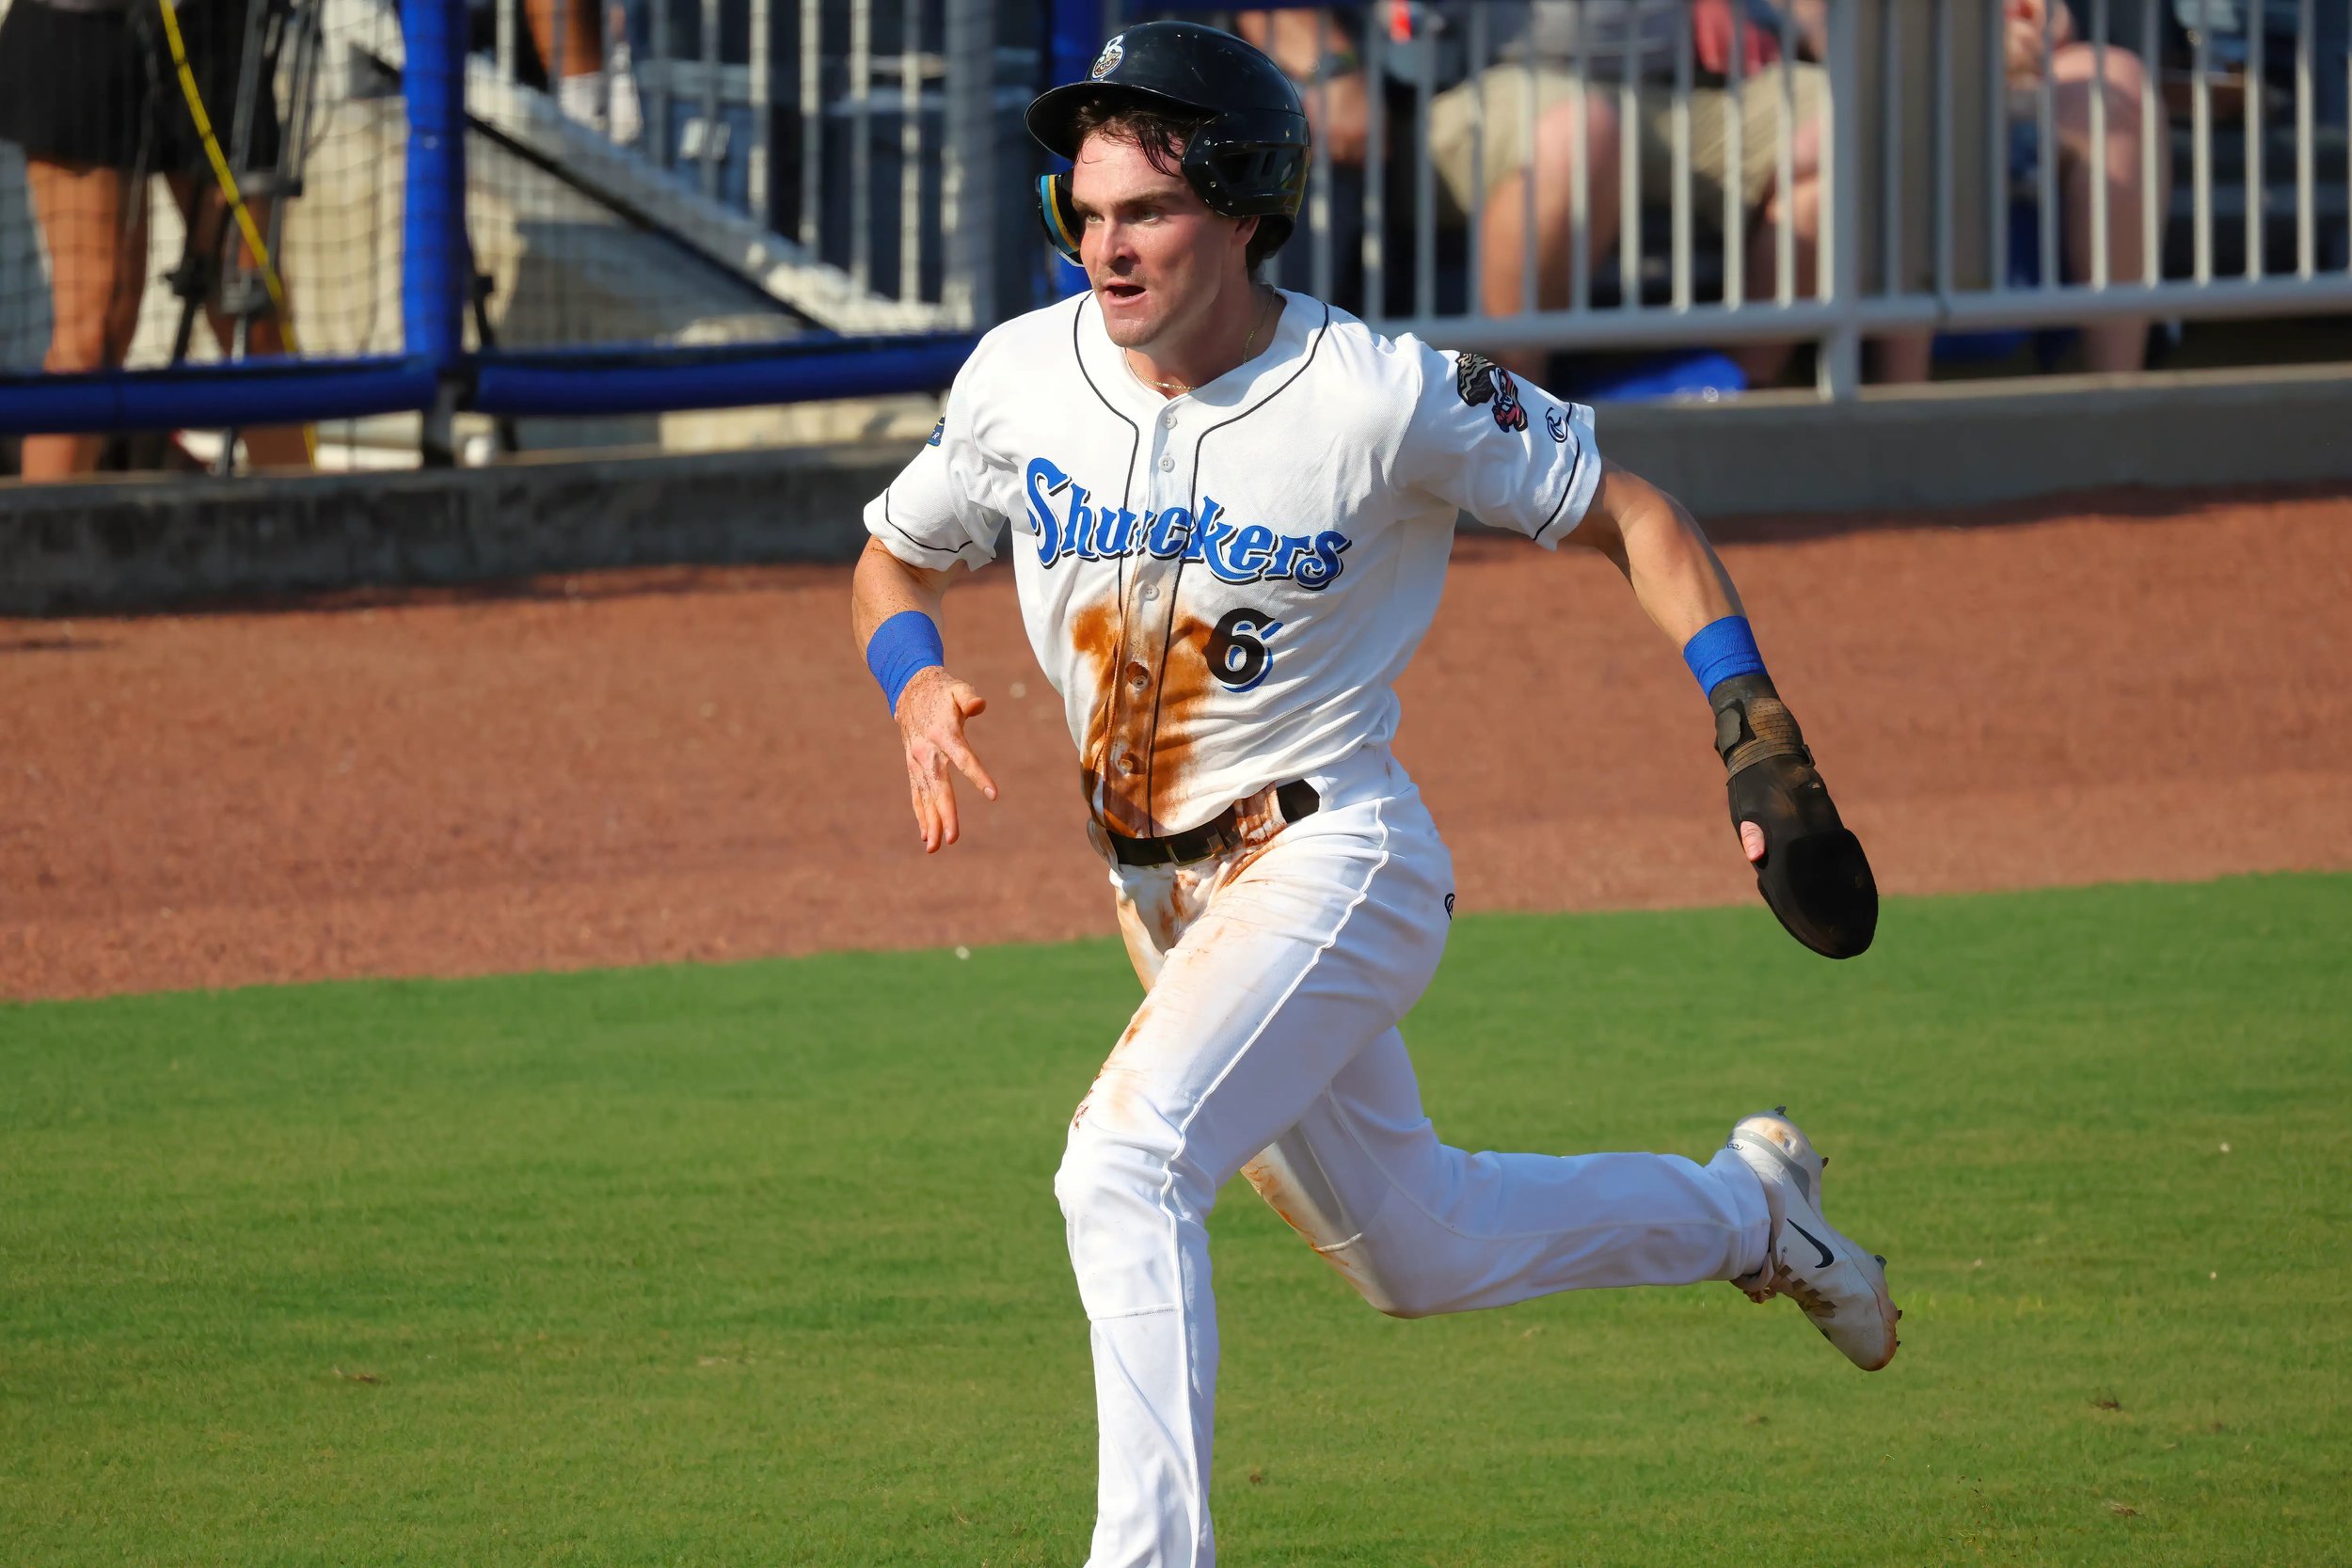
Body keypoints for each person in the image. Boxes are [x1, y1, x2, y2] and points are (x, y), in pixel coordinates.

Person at [850, 23, 1895, 1566]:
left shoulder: (1377, 395)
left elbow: (1636, 514)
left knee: (1121, 1163)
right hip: (1160, 896)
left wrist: (1748, 716)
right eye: (1087, 211)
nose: (1106, 242)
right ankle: (1753, 1213)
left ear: (1243, 206)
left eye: (1144, 210)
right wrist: (912, 679)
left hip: (1336, 858)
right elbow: (890, 550)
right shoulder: (1022, 377)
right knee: (1424, 1249)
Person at [1422, 0, 1829, 385]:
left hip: (1682, 88)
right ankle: (1512, 421)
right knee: (1578, 134)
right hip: (1488, 83)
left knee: (1834, 121)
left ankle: (1743, 396)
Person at [0, 0, 309, 479]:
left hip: (211, 37)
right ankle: (42, 538)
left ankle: (313, 528)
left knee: (251, 312)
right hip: (81, 28)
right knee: (93, 330)